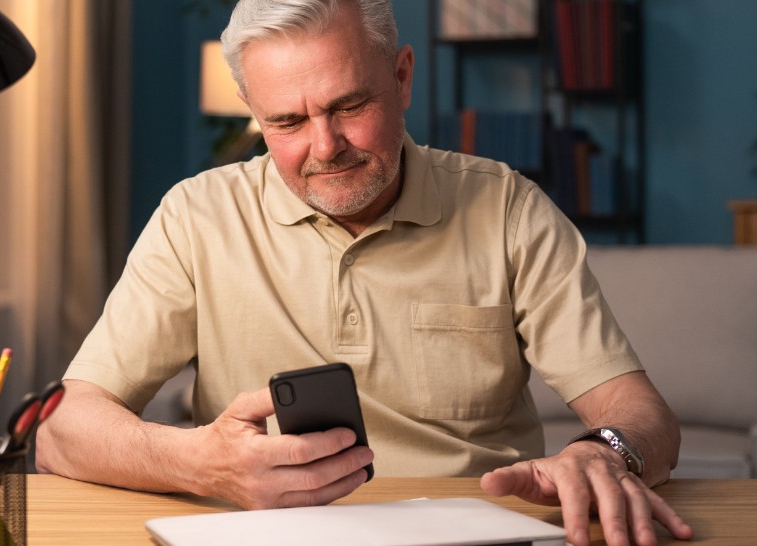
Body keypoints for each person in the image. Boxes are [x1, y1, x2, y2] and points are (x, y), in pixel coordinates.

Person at [37, 1, 694, 544]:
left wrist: (602, 450)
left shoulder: (507, 208)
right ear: (251, 109)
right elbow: (62, 430)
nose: (325, 148)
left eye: (349, 106)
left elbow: (644, 416)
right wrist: (201, 465)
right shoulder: (195, 216)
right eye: (287, 121)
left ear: (403, 77)